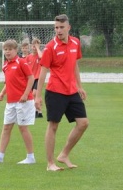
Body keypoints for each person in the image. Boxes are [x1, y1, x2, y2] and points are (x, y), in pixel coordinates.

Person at [34, 14, 88, 171]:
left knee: (83, 123)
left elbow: (74, 65)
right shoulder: (51, 47)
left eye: (61, 27)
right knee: (53, 126)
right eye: (56, 27)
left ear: (68, 27)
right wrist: (37, 96)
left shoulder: (75, 42)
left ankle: (64, 155)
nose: (58, 30)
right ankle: (50, 163)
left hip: (72, 91)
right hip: (55, 91)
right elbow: (43, 71)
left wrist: (79, 86)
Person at [0, 39, 36, 164]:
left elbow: (31, 78)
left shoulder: (22, 62)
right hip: (11, 102)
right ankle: (0, 156)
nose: (7, 52)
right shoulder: (5, 65)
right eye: (5, 49)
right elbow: (8, 81)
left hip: (23, 102)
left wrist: (25, 94)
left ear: (16, 50)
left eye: (10, 49)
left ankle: (31, 157)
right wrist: (2, 93)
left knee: (23, 128)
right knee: (6, 127)